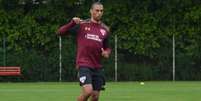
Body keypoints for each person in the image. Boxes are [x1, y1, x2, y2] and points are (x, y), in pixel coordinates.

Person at [57, 2, 111, 101]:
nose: (99, 13)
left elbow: (107, 47)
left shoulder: (105, 29)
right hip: (84, 64)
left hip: (97, 66)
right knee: (87, 91)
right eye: (97, 10)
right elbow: (60, 32)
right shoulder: (82, 25)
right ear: (91, 11)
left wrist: (107, 53)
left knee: (95, 96)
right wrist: (72, 23)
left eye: (101, 11)